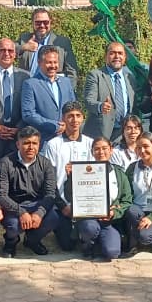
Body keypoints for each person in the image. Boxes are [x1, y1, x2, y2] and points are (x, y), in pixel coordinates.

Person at [0, 125, 60, 257]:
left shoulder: (46, 164)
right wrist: (21, 212)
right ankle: (11, 242)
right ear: (18, 144)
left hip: (37, 204)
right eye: (26, 143)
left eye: (34, 143)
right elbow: (1, 195)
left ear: (39, 145)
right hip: (13, 206)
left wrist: (39, 213)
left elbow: (51, 193)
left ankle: (32, 240)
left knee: (53, 218)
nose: (30, 147)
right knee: (13, 226)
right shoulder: (5, 163)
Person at [66, 136, 132, 261]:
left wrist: (115, 212)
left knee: (112, 252)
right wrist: (71, 177)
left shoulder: (119, 173)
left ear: (111, 150)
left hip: (108, 221)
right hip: (89, 219)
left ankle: (101, 243)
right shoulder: (82, 171)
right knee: (89, 228)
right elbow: (69, 195)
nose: (101, 152)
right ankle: (87, 245)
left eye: (104, 148)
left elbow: (127, 200)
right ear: (92, 152)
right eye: (97, 149)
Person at [44, 101, 95, 251]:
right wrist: (62, 206)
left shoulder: (90, 143)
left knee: (89, 233)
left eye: (78, 116)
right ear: (63, 119)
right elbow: (49, 180)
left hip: (85, 204)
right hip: (62, 204)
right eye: (70, 116)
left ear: (83, 118)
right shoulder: (53, 144)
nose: (74, 120)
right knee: (67, 245)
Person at [20, 45, 77, 144]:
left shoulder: (66, 82)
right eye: (49, 62)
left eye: (55, 62)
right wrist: (54, 126)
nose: (53, 66)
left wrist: (69, 124)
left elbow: (73, 108)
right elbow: (28, 114)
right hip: (44, 139)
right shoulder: (30, 84)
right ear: (39, 63)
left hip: (67, 138)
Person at [84, 41, 135, 141]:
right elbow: (88, 101)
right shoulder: (95, 75)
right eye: (112, 53)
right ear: (105, 56)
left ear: (125, 57)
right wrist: (100, 106)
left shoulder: (130, 78)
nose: (117, 56)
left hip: (123, 135)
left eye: (120, 53)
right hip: (100, 134)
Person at [17, 8, 76, 79]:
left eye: (45, 22)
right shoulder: (24, 39)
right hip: (27, 84)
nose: (42, 25)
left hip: (51, 84)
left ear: (50, 22)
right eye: (38, 23)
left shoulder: (62, 43)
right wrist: (24, 47)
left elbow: (72, 72)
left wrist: (67, 86)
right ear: (32, 23)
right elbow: (9, 51)